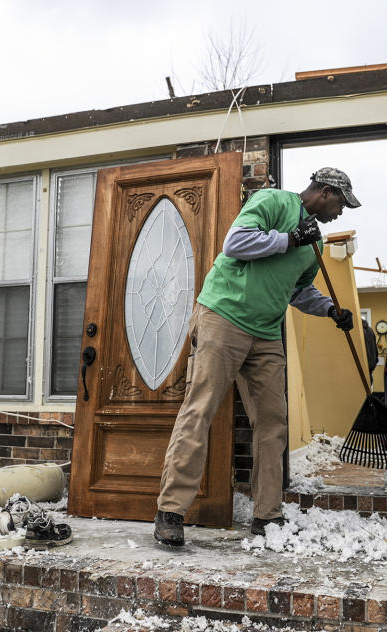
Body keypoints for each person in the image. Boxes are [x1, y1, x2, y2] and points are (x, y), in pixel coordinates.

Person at [154, 168, 362, 547]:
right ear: (326, 192)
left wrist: (331, 310)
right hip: (224, 317)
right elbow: (235, 243)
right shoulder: (273, 201)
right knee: (199, 410)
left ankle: (267, 517)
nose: (340, 213)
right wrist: (289, 238)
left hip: (266, 333)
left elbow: (298, 293)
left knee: (273, 422)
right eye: (340, 205)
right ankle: (170, 511)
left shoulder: (312, 247)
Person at [361, 318, 377, 384]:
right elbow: (375, 348)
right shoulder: (370, 329)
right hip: (370, 366)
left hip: (362, 368)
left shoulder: (358, 330)